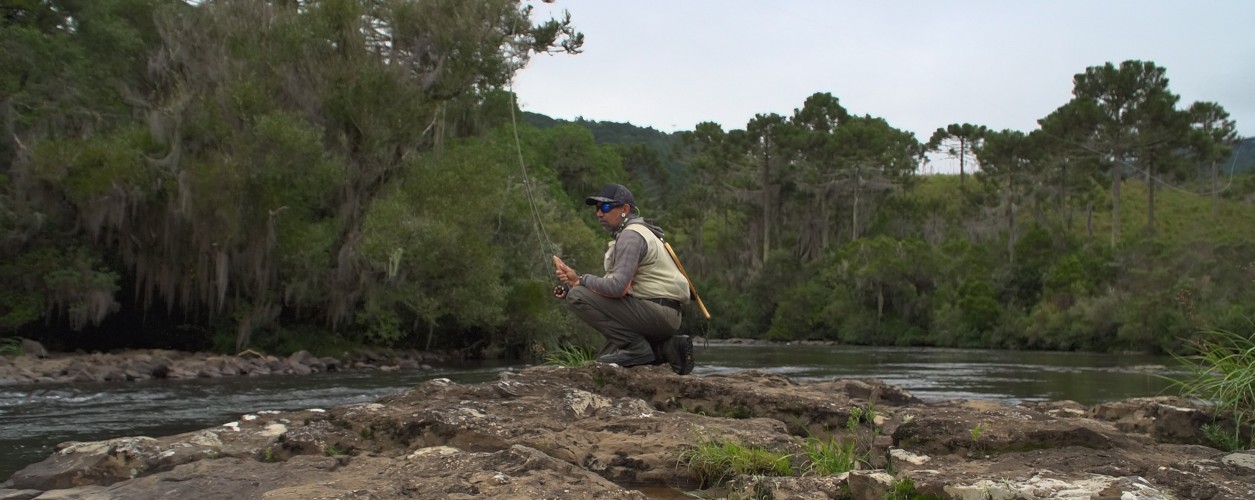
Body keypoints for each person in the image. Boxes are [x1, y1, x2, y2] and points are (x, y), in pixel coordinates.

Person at [552, 183, 695, 375]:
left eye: (606, 207)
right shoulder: (639, 232)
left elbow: (618, 288)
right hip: (662, 314)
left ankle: (637, 349)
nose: (599, 214)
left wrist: (580, 281)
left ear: (625, 209)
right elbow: (614, 292)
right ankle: (667, 349)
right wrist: (574, 281)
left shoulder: (631, 236)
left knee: (577, 296)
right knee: (603, 362)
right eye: (597, 208)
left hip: (657, 312)